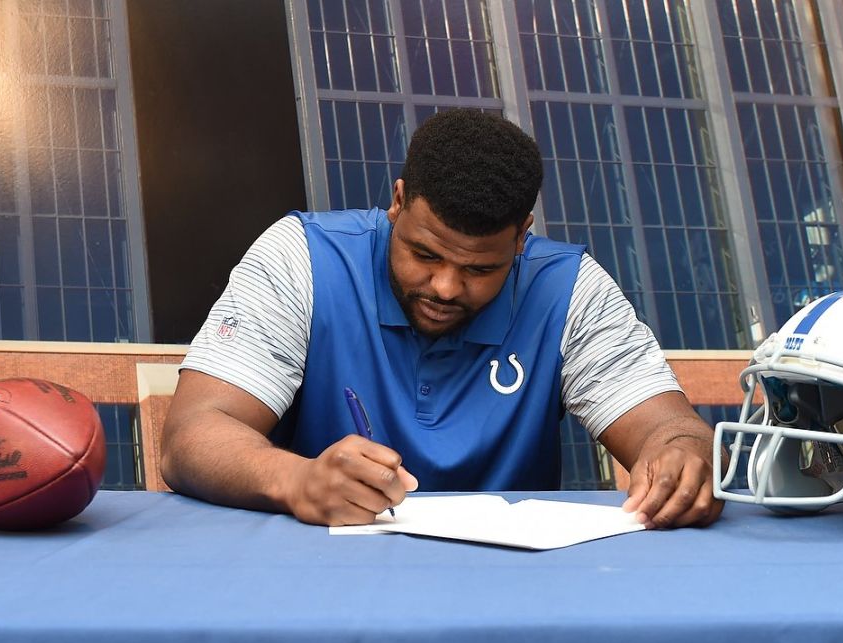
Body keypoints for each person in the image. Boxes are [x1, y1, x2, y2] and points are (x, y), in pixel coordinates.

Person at [161, 109, 723, 529]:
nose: (446, 287)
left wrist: (682, 457)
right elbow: (193, 433)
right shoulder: (302, 258)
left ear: (523, 235)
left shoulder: (569, 288)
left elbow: (669, 429)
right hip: (320, 576)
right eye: (426, 255)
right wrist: (297, 480)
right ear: (398, 202)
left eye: (481, 268)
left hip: (509, 593)